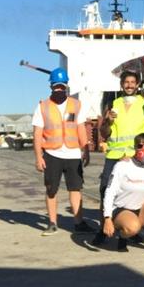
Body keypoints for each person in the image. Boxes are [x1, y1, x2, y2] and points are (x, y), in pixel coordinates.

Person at [92, 70, 144, 245]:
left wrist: (140, 154)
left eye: (133, 82)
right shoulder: (113, 104)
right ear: (121, 85)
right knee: (105, 191)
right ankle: (103, 228)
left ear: (138, 85)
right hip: (114, 156)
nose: (130, 85)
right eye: (126, 82)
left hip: (135, 157)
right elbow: (103, 133)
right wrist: (108, 121)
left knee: (134, 192)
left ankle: (129, 231)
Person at [32, 67, 91, 236]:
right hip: (52, 154)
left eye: (61, 86)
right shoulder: (42, 106)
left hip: (73, 154)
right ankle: (52, 223)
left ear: (66, 86)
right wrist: (38, 157)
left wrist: (85, 149)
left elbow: (81, 128)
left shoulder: (76, 105)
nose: (59, 89)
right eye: (55, 86)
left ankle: (79, 223)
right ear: (50, 86)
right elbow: (37, 133)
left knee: (75, 188)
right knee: (51, 189)